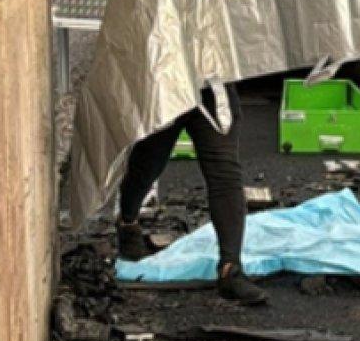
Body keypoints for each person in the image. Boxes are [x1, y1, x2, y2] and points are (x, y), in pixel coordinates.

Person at [115, 86, 269, 305]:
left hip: (211, 83)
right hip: (166, 80)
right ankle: (127, 222)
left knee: (224, 171)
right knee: (146, 165)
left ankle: (230, 268)